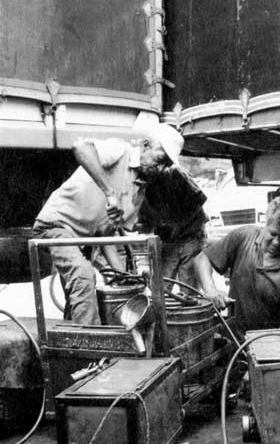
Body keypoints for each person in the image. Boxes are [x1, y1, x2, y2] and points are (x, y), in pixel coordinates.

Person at [32, 123, 184, 325]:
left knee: (78, 297)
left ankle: (73, 345)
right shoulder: (121, 151)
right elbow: (80, 147)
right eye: (159, 160)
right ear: (146, 145)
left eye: (165, 165)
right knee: (83, 275)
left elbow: (105, 236)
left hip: (83, 240)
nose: (160, 168)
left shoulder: (139, 192)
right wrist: (109, 192)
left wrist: (123, 275)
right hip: (55, 226)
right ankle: (91, 348)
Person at [194, 195, 280, 336]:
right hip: (233, 337)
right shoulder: (244, 237)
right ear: (266, 224)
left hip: (268, 342)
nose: (277, 243)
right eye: (273, 234)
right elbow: (202, 259)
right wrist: (211, 290)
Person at [137, 165, 208, 289]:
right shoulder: (145, 188)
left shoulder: (175, 173)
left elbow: (199, 198)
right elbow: (146, 222)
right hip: (167, 241)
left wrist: (179, 223)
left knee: (190, 291)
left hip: (191, 236)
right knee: (162, 290)